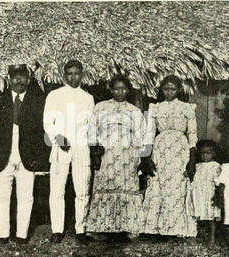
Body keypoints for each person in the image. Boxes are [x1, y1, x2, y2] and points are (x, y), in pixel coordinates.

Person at [0, 64, 50, 245]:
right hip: (3, 155)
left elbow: (43, 131)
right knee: (2, 196)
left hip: (28, 157)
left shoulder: (37, 100)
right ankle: (3, 234)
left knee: (25, 196)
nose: (18, 80)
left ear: (28, 79)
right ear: (9, 78)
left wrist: (40, 156)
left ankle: (22, 235)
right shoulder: (0, 100)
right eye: (15, 77)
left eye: (22, 76)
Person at [86, 75, 145, 240]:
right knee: (105, 187)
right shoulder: (101, 107)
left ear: (128, 90)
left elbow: (140, 136)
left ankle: (130, 227)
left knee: (127, 188)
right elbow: (92, 131)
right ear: (110, 90)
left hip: (127, 156)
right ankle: (101, 228)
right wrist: (95, 153)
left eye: (123, 88)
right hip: (106, 155)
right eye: (116, 88)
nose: (120, 92)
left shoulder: (134, 111)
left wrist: (138, 158)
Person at [43, 60, 95, 245]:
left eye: (77, 73)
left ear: (82, 74)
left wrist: (92, 145)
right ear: (64, 75)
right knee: (57, 190)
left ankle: (81, 229)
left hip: (81, 147)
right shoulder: (55, 95)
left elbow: (92, 125)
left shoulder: (87, 98)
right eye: (70, 73)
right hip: (61, 146)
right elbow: (48, 122)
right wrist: (57, 137)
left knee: (82, 190)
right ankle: (57, 229)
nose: (73, 77)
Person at [140, 75, 198, 237]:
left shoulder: (187, 108)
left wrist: (191, 160)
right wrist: (147, 158)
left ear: (179, 90)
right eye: (166, 89)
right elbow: (149, 134)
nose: (169, 92)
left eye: (172, 89)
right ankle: (154, 227)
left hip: (180, 149)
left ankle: (176, 228)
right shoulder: (154, 108)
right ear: (161, 90)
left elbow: (193, 136)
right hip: (160, 149)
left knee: (177, 186)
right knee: (157, 185)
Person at [190, 139, 221, 245]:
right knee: (201, 213)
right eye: (202, 153)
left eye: (208, 153)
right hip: (200, 193)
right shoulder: (198, 165)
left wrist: (216, 193)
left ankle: (212, 237)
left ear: (214, 154)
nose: (205, 156)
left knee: (211, 216)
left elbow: (217, 180)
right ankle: (202, 234)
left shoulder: (215, 165)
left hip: (209, 193)